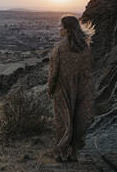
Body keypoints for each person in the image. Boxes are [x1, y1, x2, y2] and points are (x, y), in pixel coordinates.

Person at [48, 14, 96, 163]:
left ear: (68, 29)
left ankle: (61, 153)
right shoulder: (85, 47)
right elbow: (88, 70)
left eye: (61, 26)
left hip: (62, 89)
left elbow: (53, 72)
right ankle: (74, 153)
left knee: (63, 121)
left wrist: (50, 88)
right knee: (78, 119)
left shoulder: (59, 48)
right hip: (83, 89)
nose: (59, 29)